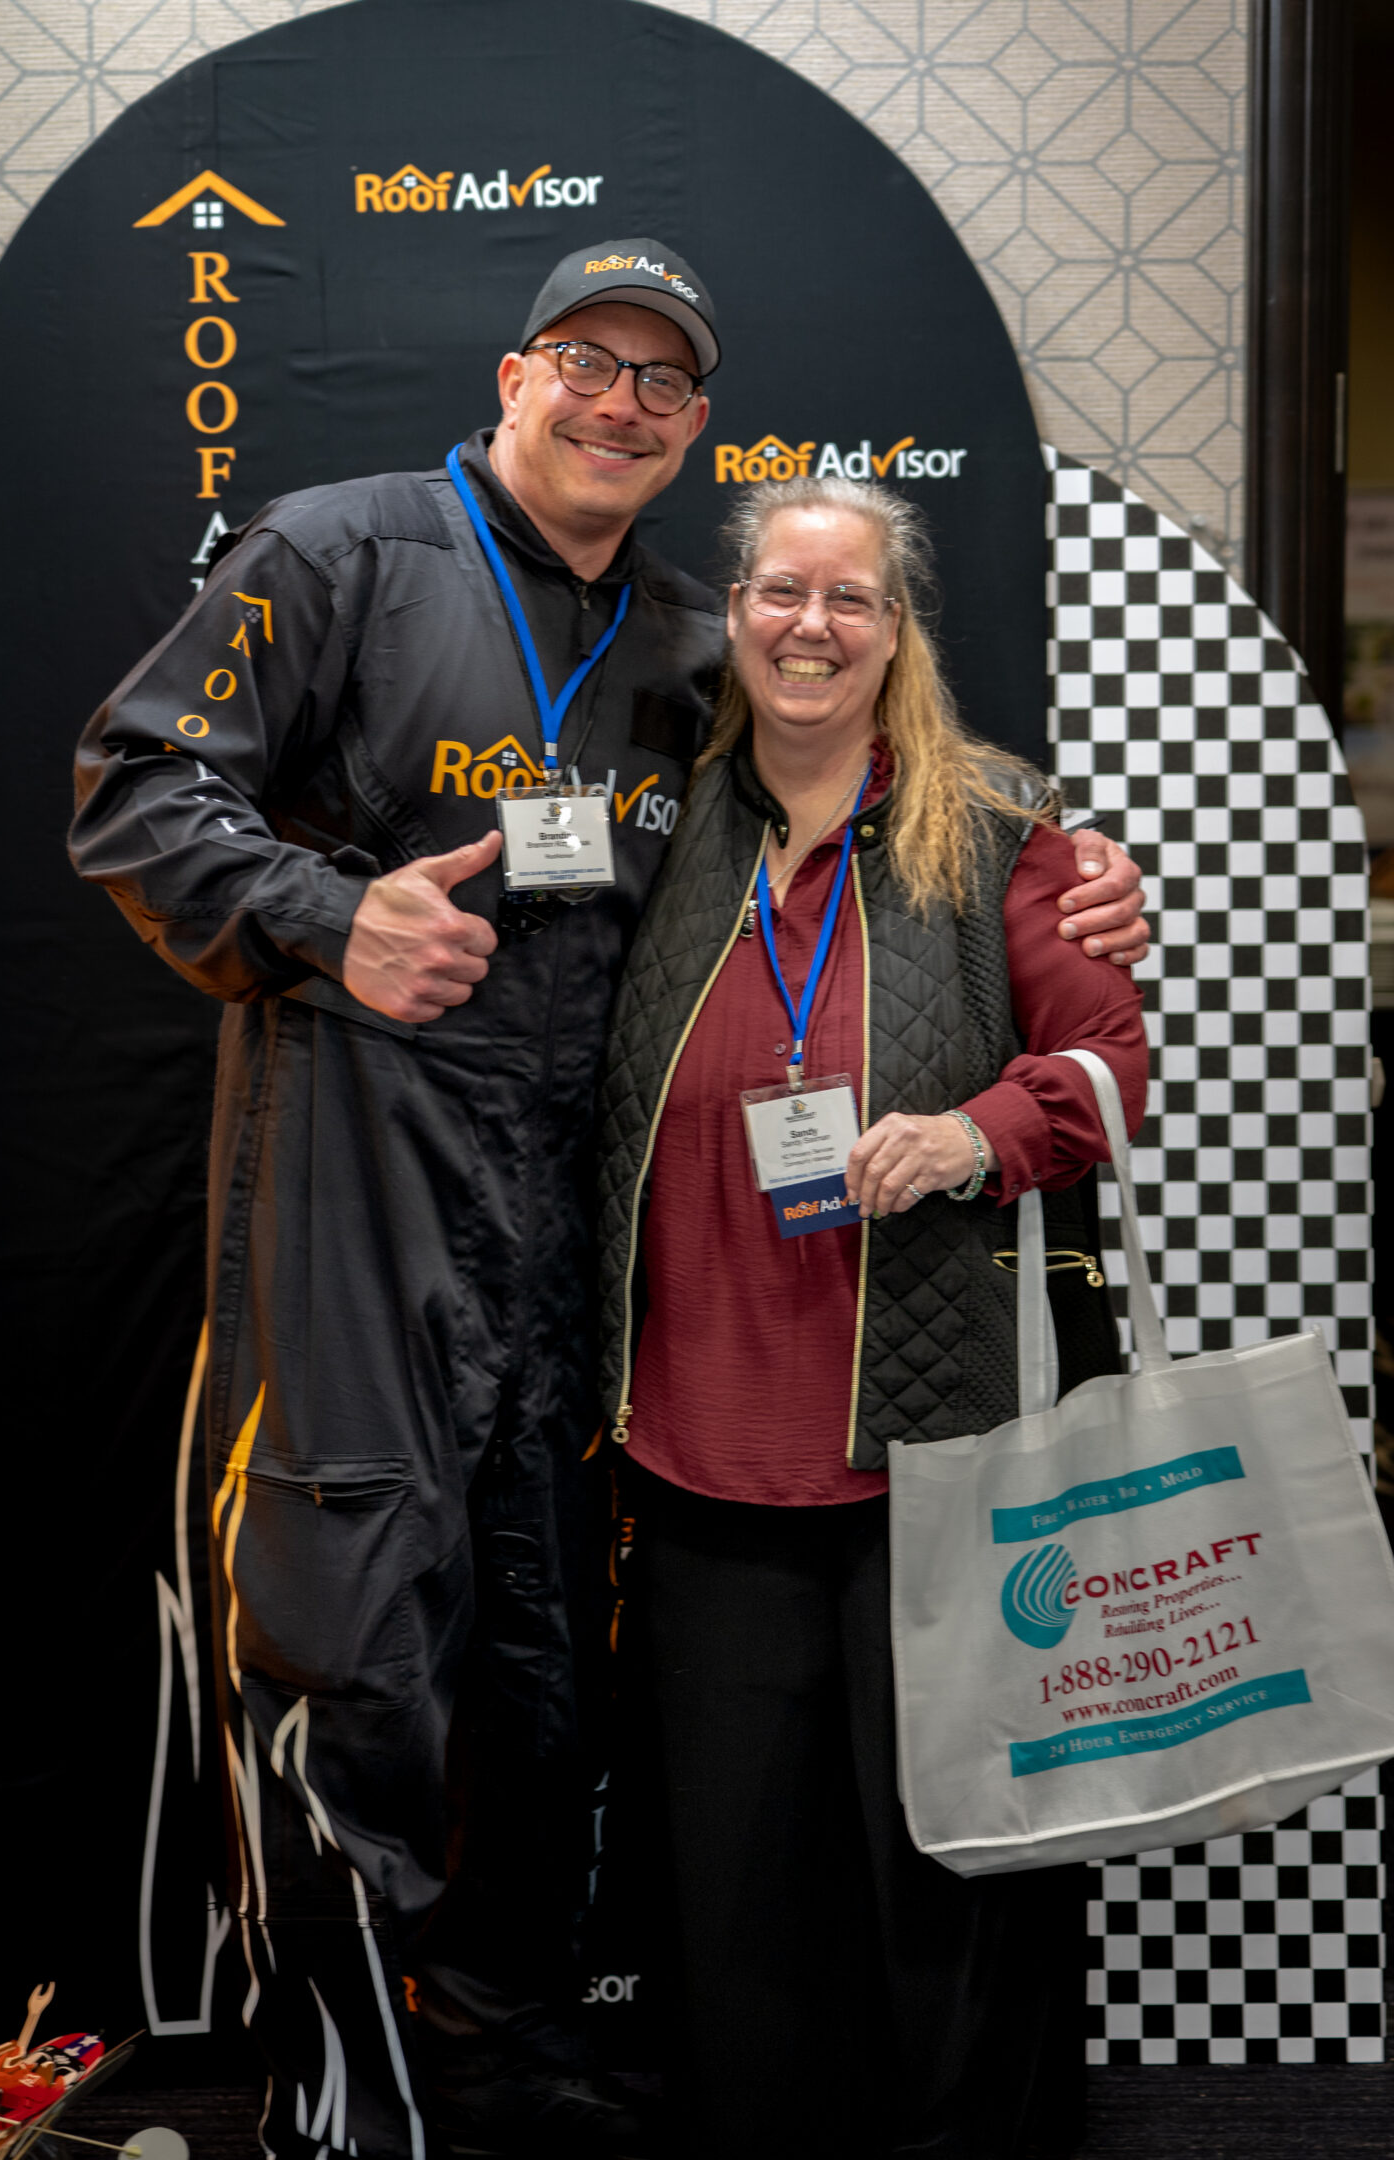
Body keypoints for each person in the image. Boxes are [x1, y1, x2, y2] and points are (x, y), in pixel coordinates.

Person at [69, 241, 1147, 2160]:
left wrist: (1068, 877)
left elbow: (862, 835)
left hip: (587, 1253)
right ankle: (346, 2091)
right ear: (514, 375)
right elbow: (132, 788)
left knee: (545, 1684)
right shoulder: (336, 552)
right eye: (588, 362)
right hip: (356, 1197)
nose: (619, 402)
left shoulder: (679, 645)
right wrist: (328, 916)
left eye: (663, 382)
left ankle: (492, 2040)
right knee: (351, 1662)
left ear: (695, 432)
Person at [597, 475, 1149, 2160]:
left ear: (895, 630)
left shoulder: (999, 829)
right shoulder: (659, 826)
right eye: (781, 592)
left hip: (938, 1458)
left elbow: (1110, 1069)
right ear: (734, 613)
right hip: (696, 1460)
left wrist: (979, 1134)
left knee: (952, 1876)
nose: (811, 626)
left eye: (850, 599)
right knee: (738, 1892)